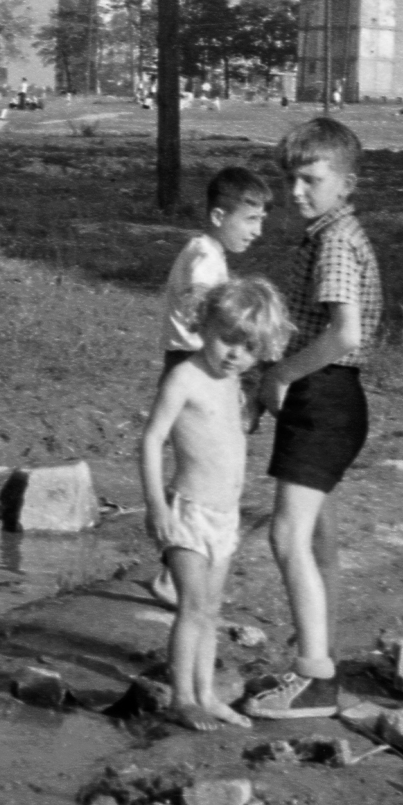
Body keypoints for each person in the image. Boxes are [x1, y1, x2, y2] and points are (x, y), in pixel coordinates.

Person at [244, 118, 383, 719]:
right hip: (332, 395)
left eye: (311, 180)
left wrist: (278, 376)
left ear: (346, 183)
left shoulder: (334, 242)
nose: (297, 192)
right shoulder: (333, 233)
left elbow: (344, 333)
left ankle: (315, 679)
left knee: (287, 536)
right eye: (291, 180)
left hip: (323, 395)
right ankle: (320, 657)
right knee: (319, 539)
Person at [139, 279, 293, 731]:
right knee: (191, 607)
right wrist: (156, 505)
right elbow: (151, 440)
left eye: (249, 348)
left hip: (225, 518)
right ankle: (182, 697)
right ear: (204, 324)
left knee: (210, 610)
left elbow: (230, 433)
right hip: (188, 511)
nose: (234, 355)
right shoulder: (185, 376)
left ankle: (207, 694)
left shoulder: (233, 383)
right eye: (228, 340)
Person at [146, 167, 271, 607]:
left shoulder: (209, 252)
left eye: (261, 221)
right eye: (250, 220)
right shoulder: (203, 257)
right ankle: (176, 562)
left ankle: (177, 567)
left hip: (206, 361)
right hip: (193, 362)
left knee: (212, 458)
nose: (257, 231)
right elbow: (202, 304)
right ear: (219, 216)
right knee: (199, 462)